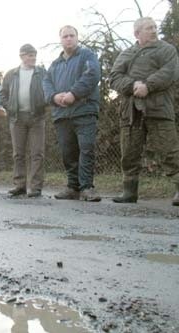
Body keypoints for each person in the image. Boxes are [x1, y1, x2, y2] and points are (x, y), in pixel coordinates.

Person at [110, 17, 179, 206]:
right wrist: (132, 86)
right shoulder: (126, 54)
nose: (155, 30)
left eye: (155, 27)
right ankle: (129, 192)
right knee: (129, 152)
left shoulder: (167, 50)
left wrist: (148, 86)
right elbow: (114, 77)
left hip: (159, 107)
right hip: (131, 111)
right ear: (137, 33)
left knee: (169, 151)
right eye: (149, 28)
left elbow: (170, 72)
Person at [43, 25, 101, 202]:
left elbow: (92, 75)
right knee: (68, 152)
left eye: (72, 35)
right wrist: (54, 96)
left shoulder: (87, 56)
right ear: (60, 40)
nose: (68, 39)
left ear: (77, 38)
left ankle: (86, 187)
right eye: (65, 36)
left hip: (84, 111)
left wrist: (73, 94)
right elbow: (46, 84)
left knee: (86, 149)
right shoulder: (55, 64)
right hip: (62, 115)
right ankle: (72, 186)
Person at [0, 44, 46, 198]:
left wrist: (43, 104)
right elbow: (2, 94)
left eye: (34, 55)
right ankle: (19, 186)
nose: (33, 58)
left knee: (37, 153)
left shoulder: (42, 73)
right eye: (29, 55)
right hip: (17, 118)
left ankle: (35, 187)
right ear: (22, 56)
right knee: (18, 154)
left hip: (37, 117)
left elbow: (50, 90)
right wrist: (9, 107)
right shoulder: (11, 74)